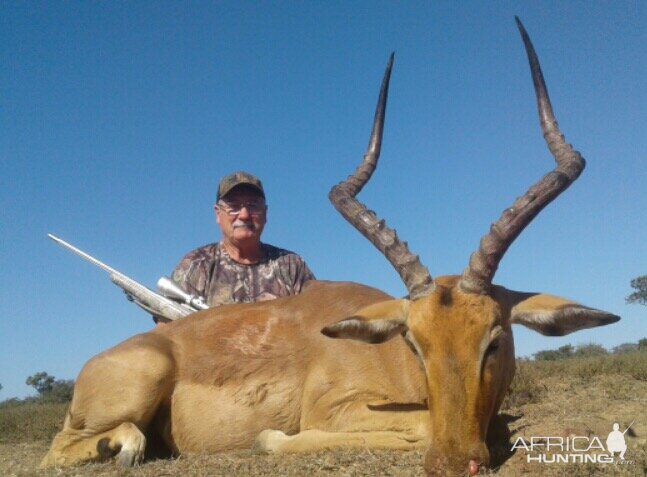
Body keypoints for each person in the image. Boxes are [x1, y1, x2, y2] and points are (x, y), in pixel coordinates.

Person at [155, 171, 315, 323]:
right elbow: (166, 331)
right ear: (218, 214)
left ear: (265, 213)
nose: (244, 215)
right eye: (234, 206)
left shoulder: (291, 265)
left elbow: (317, 319)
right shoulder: (196, 264)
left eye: (253, 206)